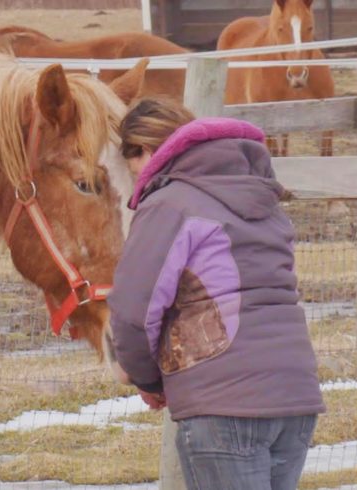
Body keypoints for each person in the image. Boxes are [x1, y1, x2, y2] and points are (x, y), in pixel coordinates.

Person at [107, 97, 324, 490]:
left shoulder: (169, 203)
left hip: (224, 404)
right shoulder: (264, 199)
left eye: (132, 165)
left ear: (145, 150)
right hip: (295, 396)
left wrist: (146, 379)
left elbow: (134, 311)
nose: (135, 180)